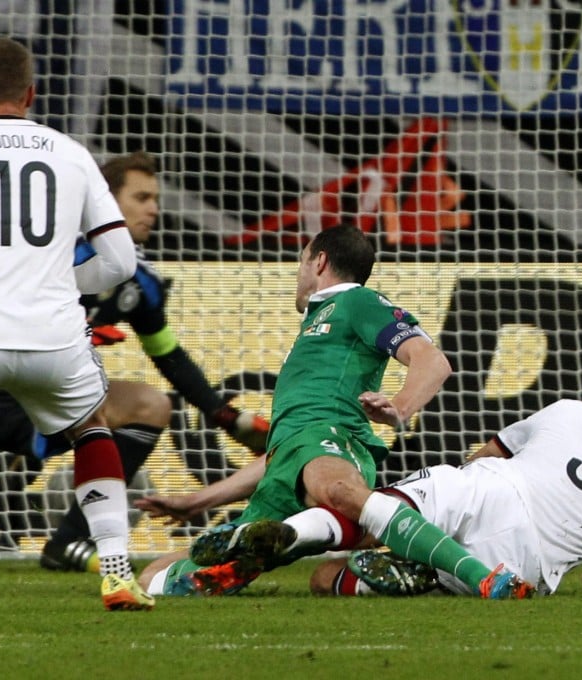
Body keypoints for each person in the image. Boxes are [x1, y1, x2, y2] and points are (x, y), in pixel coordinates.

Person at [135, 225, 531, 599]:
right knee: (152, 579)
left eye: (301, 263)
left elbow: (432, 360)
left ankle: (482, 576)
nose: (299, 274)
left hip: (332, 438)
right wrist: (197, 501)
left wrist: (401, 406)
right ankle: (275, 543)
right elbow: (282, 456)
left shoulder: (356, 300)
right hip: (288, 464)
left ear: (319, 262)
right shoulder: (312, 329)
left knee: (340, 492)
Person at [0, 151, 270, 572]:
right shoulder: (56, 249)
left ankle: (67, 543)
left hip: (45, 392)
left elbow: (167, 354)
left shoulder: (140, 282)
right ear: (105, 201)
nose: (153, 208)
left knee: (150, 404)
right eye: (141, 197)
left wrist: (225, 414)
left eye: (155, 198)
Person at [0, 36, 151, 610]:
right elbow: (121, 261)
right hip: (55, 340)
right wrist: (57, 283)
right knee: (92, 429)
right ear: (31, 93)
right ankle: (118, 571)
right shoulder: (71, 152)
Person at [304, 363, 582, 598]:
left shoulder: (573, 409)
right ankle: (429, 574)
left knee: (358, 513)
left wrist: (440, 508)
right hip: (522, 563)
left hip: (486, 491)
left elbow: (489, 455)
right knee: (325, 578)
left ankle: (276, 539)